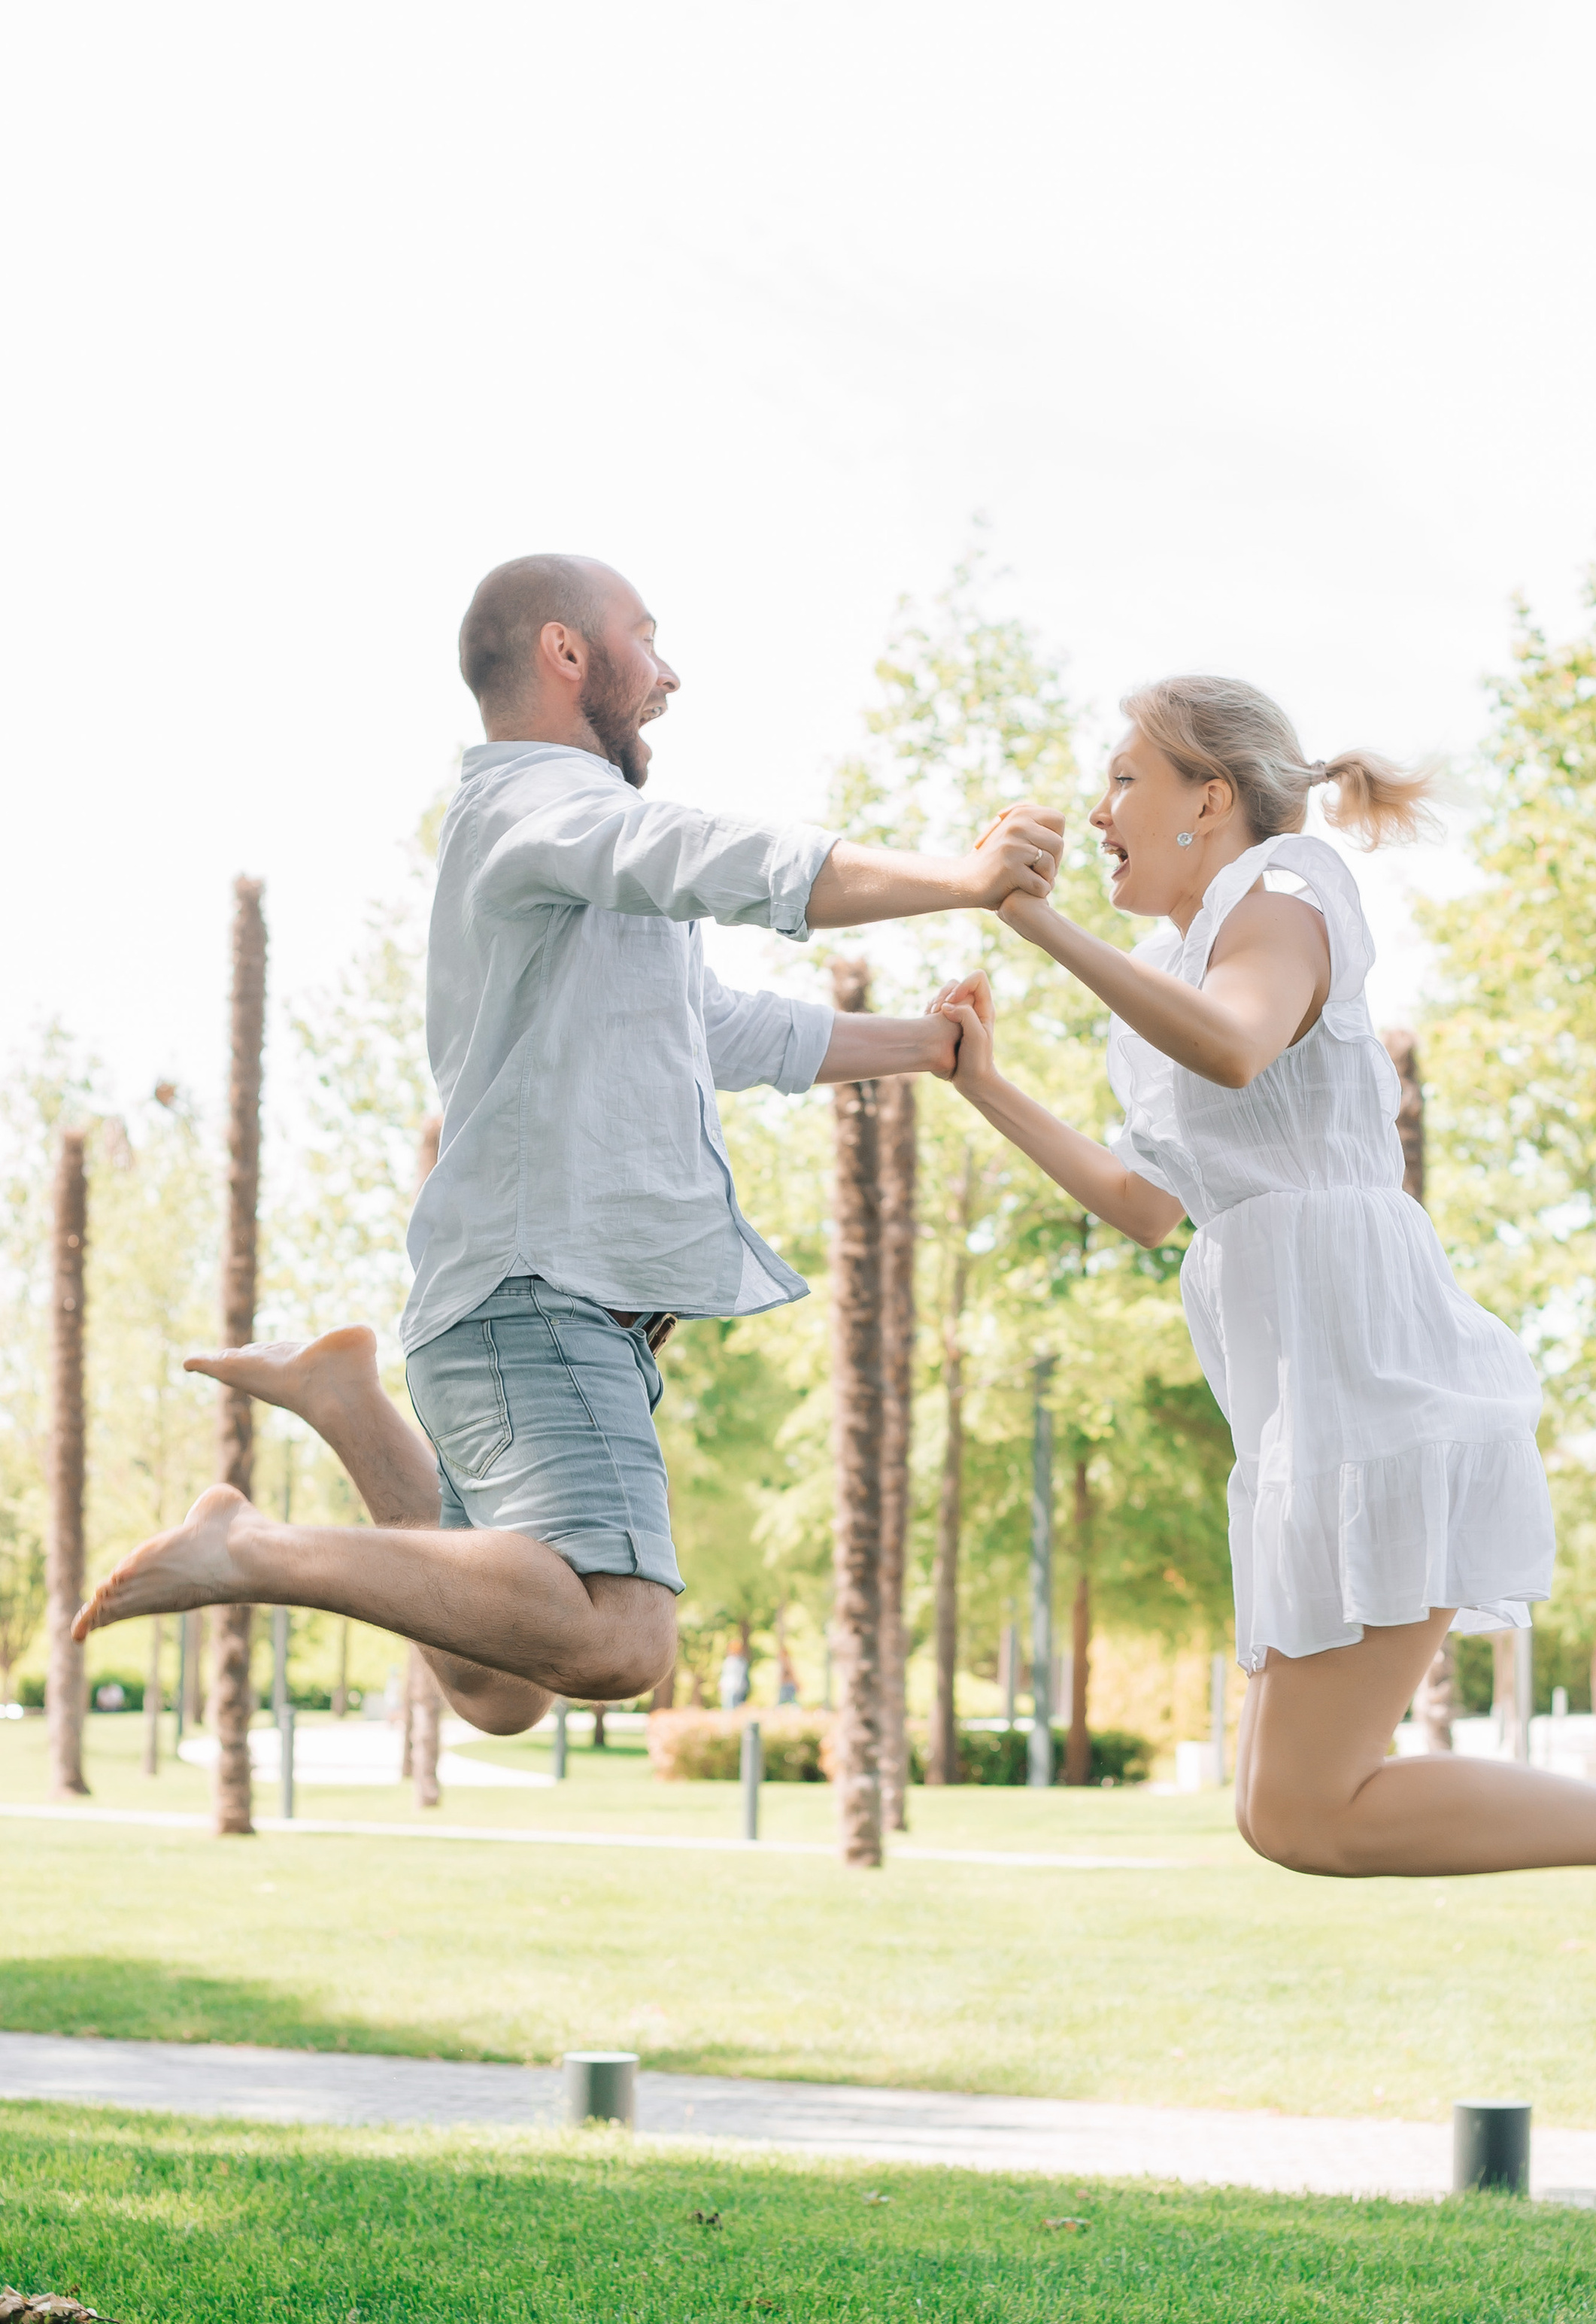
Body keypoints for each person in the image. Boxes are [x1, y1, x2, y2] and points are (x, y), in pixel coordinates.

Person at [74, 554, 1064, 1733]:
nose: (671, 674)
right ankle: (251, 1549)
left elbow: (712, 1026)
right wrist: (957, 878)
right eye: (647, 637)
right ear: (565, 652)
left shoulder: (559, 850)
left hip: (510, 1300)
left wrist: (928, 1046)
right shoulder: (541, 810)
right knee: (621, 1630)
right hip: (541, 1292)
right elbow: (718, 861)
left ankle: (348, 1403)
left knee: (498, 1686)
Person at [933, 673, 1596, 1938]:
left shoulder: (1289, 890)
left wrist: (1034, 926)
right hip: (1300, 1405)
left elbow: (1240, 1042)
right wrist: (987, 1086)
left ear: (1210, 798)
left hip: (1368, 1374)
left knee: (1311, 1811)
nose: (1099, 810)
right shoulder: (1168, 969)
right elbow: (1154, 1206)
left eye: (1122, 780)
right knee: (1282, 1815)